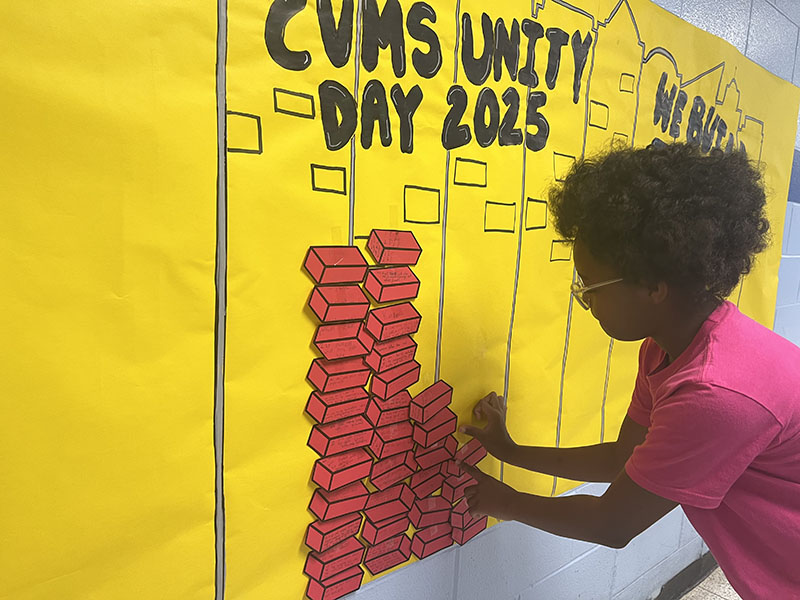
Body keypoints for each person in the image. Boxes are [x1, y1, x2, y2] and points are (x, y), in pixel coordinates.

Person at [456, 142, 800, 599]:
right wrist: (510, 451)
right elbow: (623, 460)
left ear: (654, 287)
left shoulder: (714, 393)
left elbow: (613, 523)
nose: (586, 300)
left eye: (591, 286)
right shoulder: (667, 347)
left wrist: (503, 501)